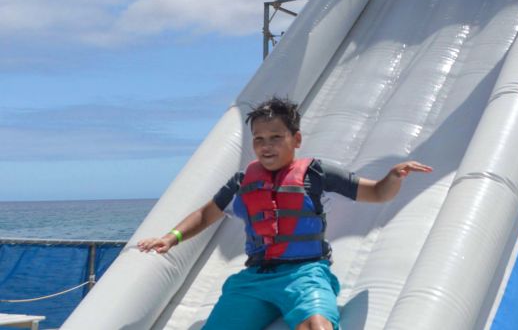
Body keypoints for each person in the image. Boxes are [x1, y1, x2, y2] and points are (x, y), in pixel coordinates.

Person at [138, 97, 432, 330]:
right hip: (256, 277)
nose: (266, 146)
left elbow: (377, 193)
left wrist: (392, 177)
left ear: (297, 139)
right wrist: (171, 238)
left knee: (317, 326)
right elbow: (206, 214)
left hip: (306, 273)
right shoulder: (242, 183)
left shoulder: (316, 174)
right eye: (259, 139)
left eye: (276, 137)